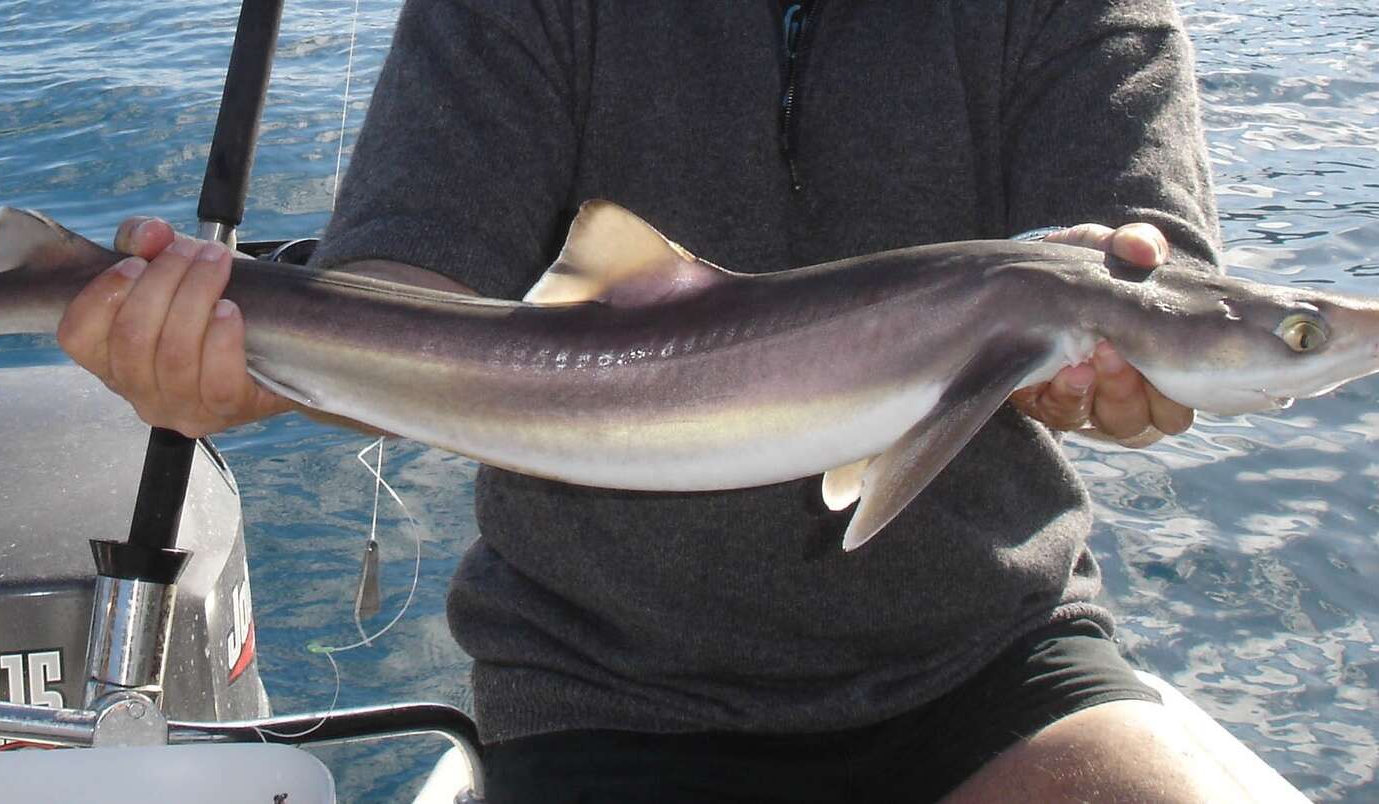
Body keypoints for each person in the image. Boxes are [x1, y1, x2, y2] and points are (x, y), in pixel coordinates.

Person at [62, 1, 1282, 800]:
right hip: (606, 683)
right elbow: (406, 275)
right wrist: (248, 356)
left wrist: (1115, 376)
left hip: (983, 659)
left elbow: (1150, 268)